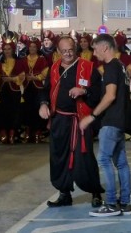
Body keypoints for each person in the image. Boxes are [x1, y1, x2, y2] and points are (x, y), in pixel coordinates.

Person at [39, 36, 104, 208]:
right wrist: (43, 104)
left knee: (85, 157)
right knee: (58, 156)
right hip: (59, 119)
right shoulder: (53, 68)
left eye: (71, 50)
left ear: (75, 49)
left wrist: (84, 90)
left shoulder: (88, 67)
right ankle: (64, 193)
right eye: (64, 51)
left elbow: (99, 91)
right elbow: (45, 90)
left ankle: (95, 192)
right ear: (58, 52)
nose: (68, 53)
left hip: (80, 119)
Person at [85, 33, 131, 217]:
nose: (94, 53)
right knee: (121, 163)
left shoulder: (111, 67)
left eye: (95, 49)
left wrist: (92, 115)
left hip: (111, 121)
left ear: (105, 47)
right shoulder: (120, 66)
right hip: (120, 120)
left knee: (104, 160)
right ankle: (125, 203)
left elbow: (110, 95)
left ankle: (111, 203)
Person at [0, 40, 26, 144]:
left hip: (14, 90)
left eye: (9, 49)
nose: (7, 51)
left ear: (13, 49)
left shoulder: (19, 62)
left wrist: (11, 79)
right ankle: (3, 133)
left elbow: (22, 76)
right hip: (2, 90)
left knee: (14, 111)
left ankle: (12, 133)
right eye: (5, 49)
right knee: (2, 111)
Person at [24, 38, 49, 143]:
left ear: (37, 48)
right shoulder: (24, 59)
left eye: (34, 47)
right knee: (28, 109)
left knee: (37, 108)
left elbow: (45, 74)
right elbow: (19, 72)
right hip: (27, 88)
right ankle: (29, 131)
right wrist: (24, 77)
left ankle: (38, 131)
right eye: (30, 46)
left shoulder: (42, 59)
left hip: (38, 88)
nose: (32, 48)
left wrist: (35, 78)